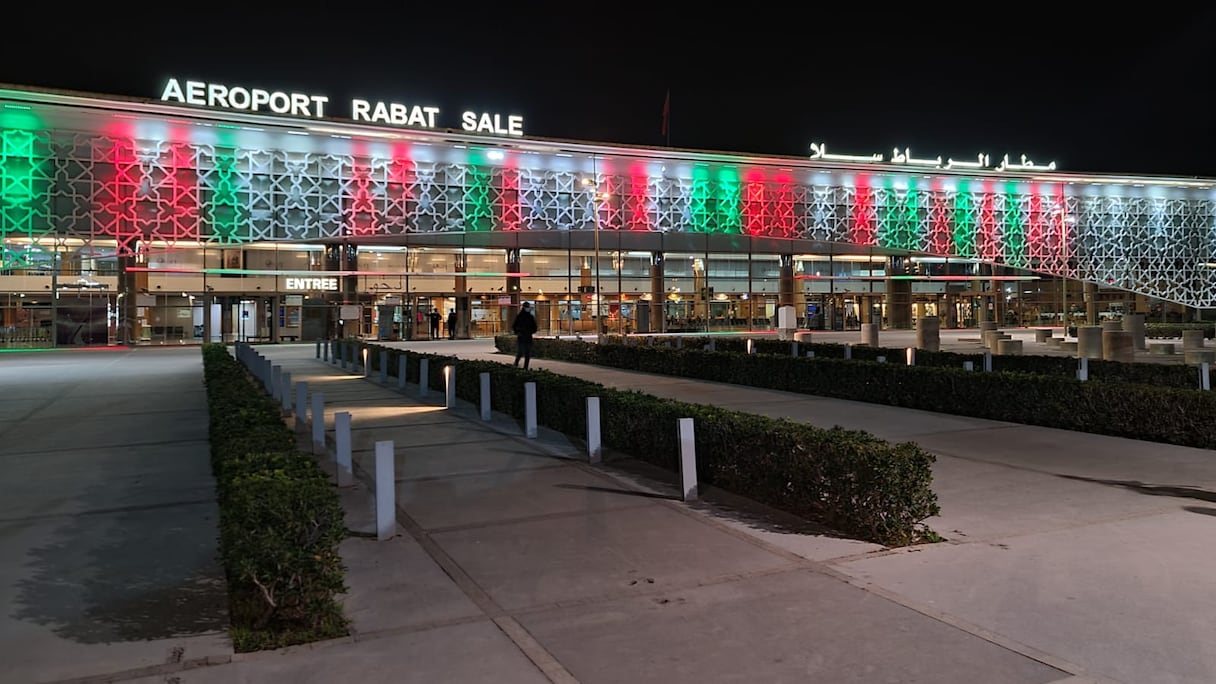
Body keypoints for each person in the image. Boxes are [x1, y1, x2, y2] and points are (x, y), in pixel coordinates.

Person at [512, 301, 538, 369]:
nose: (528, 308)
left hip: (528, 337)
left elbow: (535, 327)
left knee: (527, 353)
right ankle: (516, 362)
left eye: (528, 307)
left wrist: (531, 331)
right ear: (524, 307)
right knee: (520, 352)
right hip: (521, 337)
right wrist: (518, 332)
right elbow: (514, 326)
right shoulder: (520, 317)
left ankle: (525, 367)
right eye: (527, 307)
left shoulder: (530, 317)